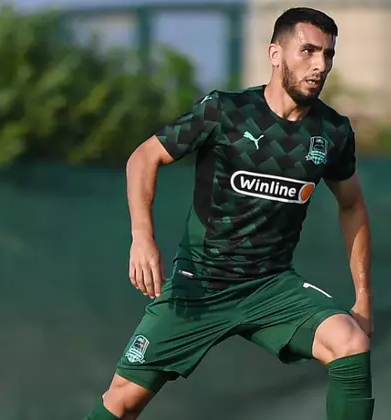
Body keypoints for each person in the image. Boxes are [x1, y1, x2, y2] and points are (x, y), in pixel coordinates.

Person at [85, 7, 374, 420]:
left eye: (327, 54)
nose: (319, 65)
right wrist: (142, 237)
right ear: (275, 53)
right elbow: (144, 157)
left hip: (272, 287)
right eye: (308, 51)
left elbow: (352, 204)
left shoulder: (333, 132)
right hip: (200, 284)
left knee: (351, 341)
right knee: (123, 402)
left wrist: (363, 297)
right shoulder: (225, 111)